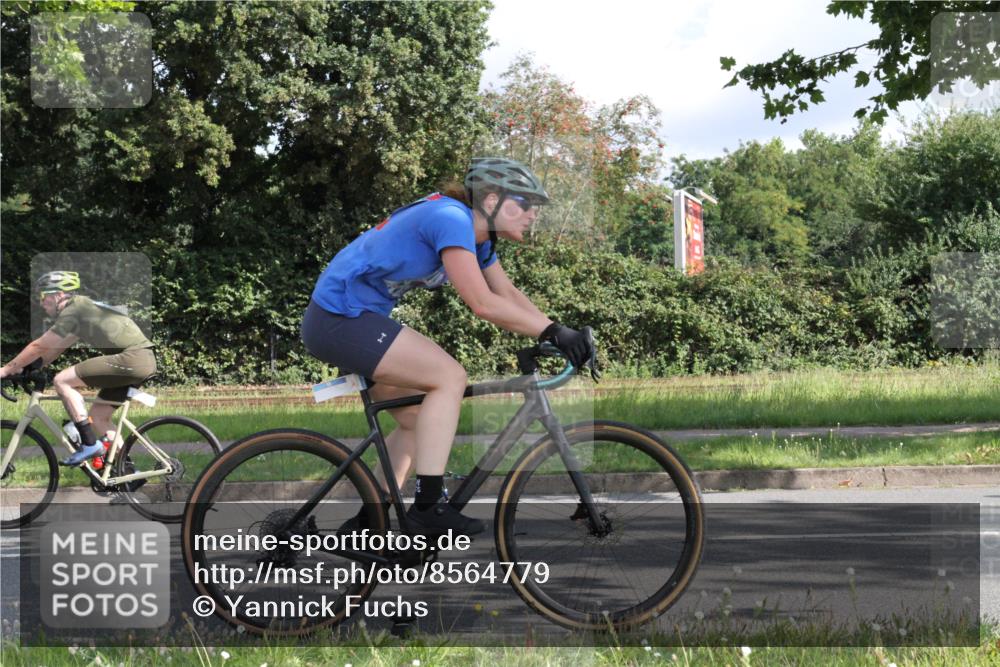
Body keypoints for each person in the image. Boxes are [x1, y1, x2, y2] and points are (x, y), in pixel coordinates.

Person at [302, 157, 596, 537]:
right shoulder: (451, 219)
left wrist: (558, 333)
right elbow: (482, 303)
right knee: (449, 377)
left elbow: (504, 292)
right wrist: (552, 332)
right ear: (491, 201)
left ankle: (366, 523)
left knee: (414, 420)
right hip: (339, 318)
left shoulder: (480, 241)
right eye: (524, 204)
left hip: (354, 320)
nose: (532, 214)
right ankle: (428, 507)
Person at [0, 271, 157, 466]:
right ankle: (126, 473)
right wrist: (30, 368)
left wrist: (6, 369)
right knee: (99, 418)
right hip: (139, 360)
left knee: (62, 380)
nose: (41, 303)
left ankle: (89, 444)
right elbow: (56, 348)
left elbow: (39, 346)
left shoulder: (75, 308)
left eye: (43, 296)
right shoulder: (82, 309)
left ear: (58, 294)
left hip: (132, 358)